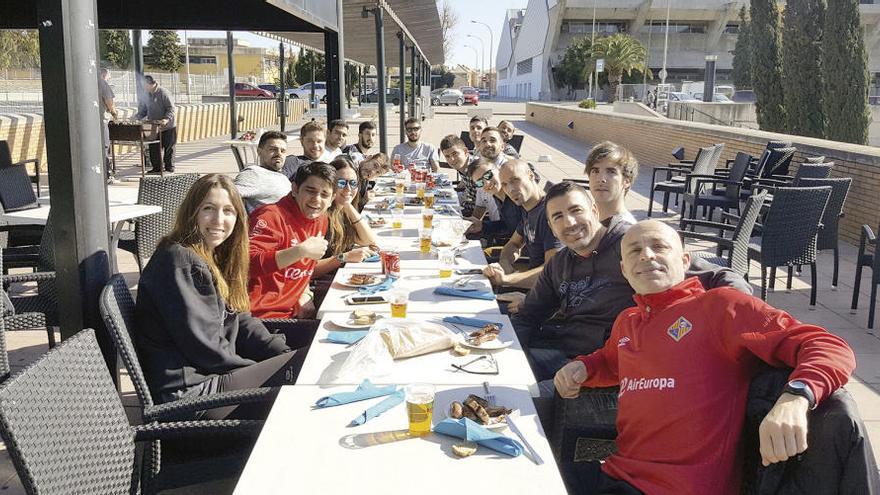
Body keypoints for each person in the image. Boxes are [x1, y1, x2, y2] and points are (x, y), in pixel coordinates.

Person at [553, 219, 855, 495]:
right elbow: (611, 361)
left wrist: (797, 396)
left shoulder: (720, 306)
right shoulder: (628, 321)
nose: (646, 255)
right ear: (624, 270)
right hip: (617, 472)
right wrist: (584, 366)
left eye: (659, 246)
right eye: (634, 251)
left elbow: (827, 345)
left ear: (684, 261)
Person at [512, 181, 751, 383]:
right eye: (558, 217)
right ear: (552, 229)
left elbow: (723, 277)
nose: (570, 223)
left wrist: (718, 331)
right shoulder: (559, 263)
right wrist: (507, 346)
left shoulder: (631, 245)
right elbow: (529, 314)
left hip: (612, 367)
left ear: (594, 211)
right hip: (562, 351)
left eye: (576, 211)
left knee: (515, 394)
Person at [135, 174, 309, 420]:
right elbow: (206, 348)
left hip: (211, 378)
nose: (219, 220)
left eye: (228, 211)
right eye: (209, 209)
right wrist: (264, 371)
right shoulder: (181, 261)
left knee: (304, 359)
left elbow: (241, 320)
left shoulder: (211, 255)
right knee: (305, 368)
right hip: (190, 397)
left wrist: (280, 352)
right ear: (191, 212)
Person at [248, 162, 335, 320]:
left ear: (332, 199)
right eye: (310, 191)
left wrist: (305, 292)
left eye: (324, 194)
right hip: (263, 316)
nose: (316, 199)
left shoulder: (321, 218)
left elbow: (305, 267)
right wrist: (300, 251)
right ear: (295, 189)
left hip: (294, 310)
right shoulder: (270, 216)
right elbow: (247, 264)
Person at [482, 160, 562, 289]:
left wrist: (508, 280)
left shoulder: (549, 213)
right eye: (505, 184)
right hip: (529, 285)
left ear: (530, 175)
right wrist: (505, 263)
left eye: (515, 180)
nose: (511, 189)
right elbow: (513, 244)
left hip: (545, 295)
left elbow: (552, 270)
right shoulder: (528, 209)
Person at [313, 156, 379, 280]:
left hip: (339, 277)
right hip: (322, 285)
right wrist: (344, 257)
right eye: (341, 183)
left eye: (353, 183)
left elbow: (369, 240)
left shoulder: (342, 212)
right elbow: (307, 269)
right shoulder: (319, 216)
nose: (348, 188)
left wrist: (347, 205)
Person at [234, 131, 291, 213]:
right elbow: (228, 196)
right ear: (259, 152)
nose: (279, 154)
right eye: (273, 149)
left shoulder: (283, 177)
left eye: (283, 151)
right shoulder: (254, 173)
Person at [465, 158, 519, 243]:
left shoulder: (516, 196)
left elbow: (521, 232)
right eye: (480, 182)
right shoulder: (497, 196)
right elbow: (507, 225)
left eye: (488, 175)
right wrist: (481, 225)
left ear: (498, 170)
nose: (486, 183)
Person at [585, 141, 638, 224]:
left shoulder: (627, 232)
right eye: (595, 171)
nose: (601, 179)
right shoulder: (583, 221)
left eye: (611, 172)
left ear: (627, 181)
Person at [135, 75, 176, 174]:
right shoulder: (147, 95)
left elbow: (171, 108)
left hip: (167, 126)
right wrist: (136, 117)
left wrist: (166, 119)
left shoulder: (163, 93)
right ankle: (156, 168)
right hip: (153, 126)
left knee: (168, 147)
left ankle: (169, 168)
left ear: (150, 84)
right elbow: (144, 110)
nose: (143, 87)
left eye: (144, 85)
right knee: (154, 147)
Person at [439, 134, 477, 217]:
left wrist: (472, 221)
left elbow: (485, 201)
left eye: (455, 154)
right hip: (467, 206)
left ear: (465, 152)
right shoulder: (462, 165)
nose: (451, 159)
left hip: (480, 215)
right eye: (447, 156)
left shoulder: (477, 169)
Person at [99, 68, 119, 183]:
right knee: (104, 147)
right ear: (104, 75)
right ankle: (106, 175)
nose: (109, 78)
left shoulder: (91, 82)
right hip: (101, 121)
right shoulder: (103, 83)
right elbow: (109, 100)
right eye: (109, 76)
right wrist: (114, 113)